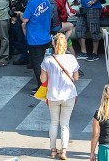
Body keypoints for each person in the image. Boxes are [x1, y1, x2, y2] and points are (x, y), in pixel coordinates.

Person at [41, 32, 80, 160]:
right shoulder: (71, 59)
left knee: (53, 123)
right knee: (65, 124)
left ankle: (53, 150)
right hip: (68, 95)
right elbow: (76, 77)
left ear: (53, 44)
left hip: (53, 95)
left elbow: (43, 80)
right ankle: (63, 151)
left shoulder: (47, 60)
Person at [23, 0, 53, 91]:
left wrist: (21, 15)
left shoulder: (31, 2)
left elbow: (25, 19)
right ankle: (48, 84)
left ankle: (42, 87)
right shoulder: (47, 2)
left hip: (34, 39)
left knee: (37, 64)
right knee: (46, 63)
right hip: (46, 37)